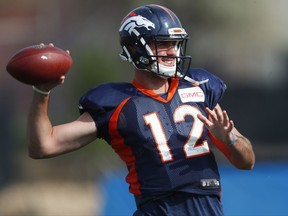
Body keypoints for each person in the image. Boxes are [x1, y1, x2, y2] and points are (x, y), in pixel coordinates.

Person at [27, 4, 255, 216]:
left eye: (174, 44)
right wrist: (42, 93)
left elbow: (247, 161)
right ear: (135, 47)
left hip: (207, 208)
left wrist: (230, 140)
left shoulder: (198, 87)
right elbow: (44, 145)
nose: (172, 52)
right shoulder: (116, 102)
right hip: (157, 209)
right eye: (162, 43)